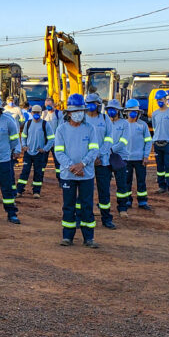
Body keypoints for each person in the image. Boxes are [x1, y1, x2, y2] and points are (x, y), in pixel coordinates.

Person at [54, 93, 100, 248]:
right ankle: (67, 237)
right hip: (68, 175)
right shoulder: (61, 130)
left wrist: (82, 164)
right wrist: (72, 168)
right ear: (69, 113)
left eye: (81, 110)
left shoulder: (90, 129)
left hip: (86, 175)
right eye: (75, 111)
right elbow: (59, 152)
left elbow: (94, 150)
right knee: (69, 205)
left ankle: (89, 238)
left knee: (87, 205)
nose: (78, 114)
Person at [85, 93, 116, 229]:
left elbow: (109, 139)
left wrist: (100, 154)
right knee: (86, 192)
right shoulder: (83, 119)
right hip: (86, 162)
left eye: (94, 103)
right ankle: (84, 217)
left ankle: (106, 218)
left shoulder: (105, 118)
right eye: (89, 103)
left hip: (103, 162)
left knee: (104, 191)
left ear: (98, 105)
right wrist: (91, 157)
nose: (91, 106)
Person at [16, 105, 54, 199]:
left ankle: (36, 191)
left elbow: (51, 139)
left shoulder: (45, 124)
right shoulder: (28, 123)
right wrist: (24, 146)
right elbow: (24, 136)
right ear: (31, 113)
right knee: (25, 172)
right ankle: (19, 190)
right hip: (28, 153)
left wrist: (45, 149)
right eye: (34, 112)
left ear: (41, 113)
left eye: (38, 112)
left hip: (39, 154)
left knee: (38, 173)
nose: (36, 114)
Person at [122, 99, 153, 213]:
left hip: (140, 159)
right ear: (126, 112)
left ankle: (142, 201)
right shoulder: (123, 125)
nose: (133, 114)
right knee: (126, 181)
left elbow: (148, 141)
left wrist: (146, 156)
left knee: (141, 181)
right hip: (126, 159)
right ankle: (127, 200)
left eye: (135, 111)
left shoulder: (143, 125)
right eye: (131, 111)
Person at [152, 89, 169, 197]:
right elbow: (155, 128)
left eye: (161, 99)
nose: (159, 101)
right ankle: (161, 186)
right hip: (157, 143)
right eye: (158, 100)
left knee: (168, 166)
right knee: (159, 167)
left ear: (165, 99)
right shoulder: (155, 114)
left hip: (168, 142)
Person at [107, 100, 130, 218]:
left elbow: (124, 141)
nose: (111, 111)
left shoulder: (124, 124)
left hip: (120, 157)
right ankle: (104, 207)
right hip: (106, 157)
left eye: (113, 109)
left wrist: (111, 149)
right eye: (109, 109)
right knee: (104, 184)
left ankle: (122, 208)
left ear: (118, 111)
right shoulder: (105, 122)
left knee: (121, 185)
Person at [42, 97, 63, 184]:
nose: (48, 107)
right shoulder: (43, 114)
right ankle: (39, 178)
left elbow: (60, 129)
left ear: (53, 104)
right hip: (45, 142)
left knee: (58, 162)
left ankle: (60, 180)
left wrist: (56, 141)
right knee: (42, 162)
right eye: (46, 105)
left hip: (55, 142)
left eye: (49, 105)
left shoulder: (59, 114)